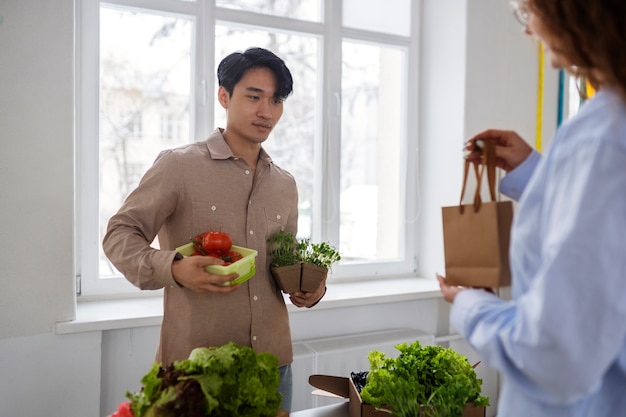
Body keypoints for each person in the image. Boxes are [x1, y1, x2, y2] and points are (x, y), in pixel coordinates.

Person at [103, 47, 327, 412]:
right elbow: (119, 234)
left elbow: (283, 263)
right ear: (224, 95)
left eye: (276, 100)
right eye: (253, 96)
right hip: (195, 369)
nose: (266, 111)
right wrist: (173, 267)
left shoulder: (285, 184)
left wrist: (310, 287)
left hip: (273, 366)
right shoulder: (179, 166)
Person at [438, 1, 626, 416]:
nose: (528, 30)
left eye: (528, 12)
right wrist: (536, 172)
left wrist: (470, 305)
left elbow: (555, 355)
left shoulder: (602, 136)